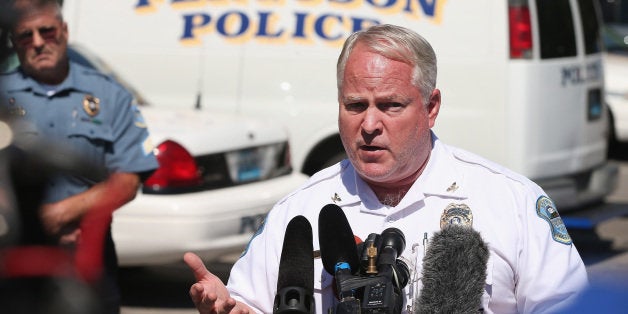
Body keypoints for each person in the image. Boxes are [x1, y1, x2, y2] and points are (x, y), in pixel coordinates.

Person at [184, 24, 588, 313]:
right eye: (355, 105)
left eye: (391, 105)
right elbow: (251, 303)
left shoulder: (510, 201)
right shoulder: (299, 211)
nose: (370, 124)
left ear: (431, 108)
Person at [0, 0, 159, 313]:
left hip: (88, 256)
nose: (37, 42)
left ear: (64, 31)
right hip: (14, 257)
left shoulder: (110, 95)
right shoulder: (3, 97)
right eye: (25, 36)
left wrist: (58, 215)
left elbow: (126, 180)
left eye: (47, 32)